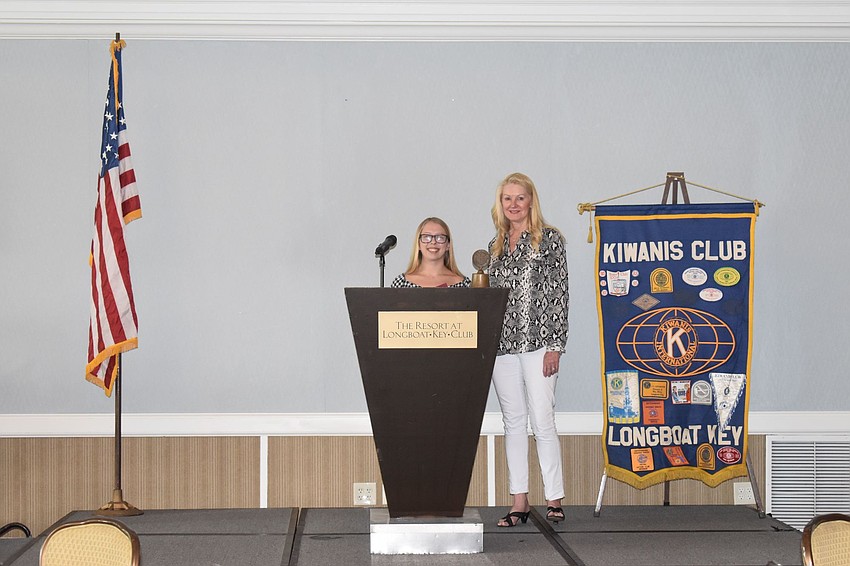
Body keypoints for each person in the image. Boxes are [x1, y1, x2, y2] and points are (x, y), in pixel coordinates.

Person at [488, 172, 569, 527]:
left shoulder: (550, 240)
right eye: (508, 198)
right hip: (502, 346)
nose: (513, 204)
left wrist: (556, 346)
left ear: (531, 201)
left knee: (543, 420)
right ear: (500, 204)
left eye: (520, 198)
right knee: (513, 422)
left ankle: (554, 498)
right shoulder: (495, 245)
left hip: (539, 344)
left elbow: (560, 293)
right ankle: (518, 501)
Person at [390, 217, 471, 288]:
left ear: (448, 245)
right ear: (418, 244)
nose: (433, 242)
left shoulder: (464, 285)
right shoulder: (402, 283)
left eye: (440, 237)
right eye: (427, 237)